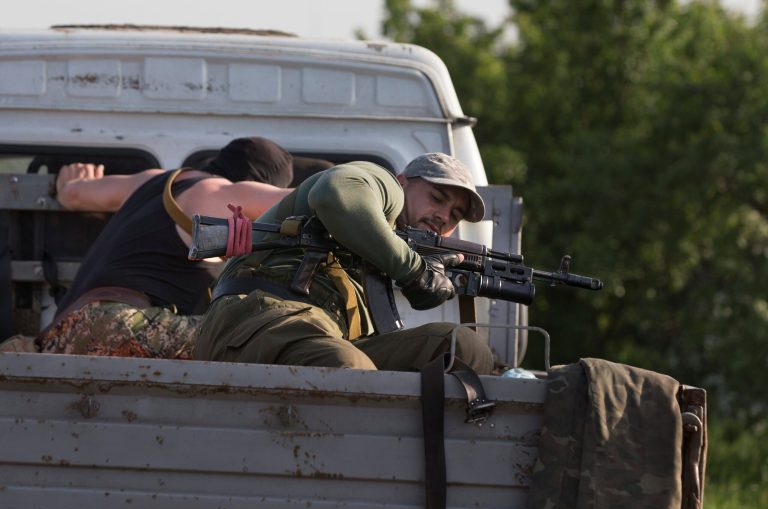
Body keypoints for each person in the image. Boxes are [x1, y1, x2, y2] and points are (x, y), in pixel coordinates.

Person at [195, 152, 494, 374]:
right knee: (351, 369)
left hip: (318, 335)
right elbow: (334, 193)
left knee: (463, 348)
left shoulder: (384, 245)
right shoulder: (385, 188)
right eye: (437, 197)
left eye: (455, 215)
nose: (443, 215)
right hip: (259, 319)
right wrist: (415, 271)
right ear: (403, 182)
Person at [34, 137, 294, 358]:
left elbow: (74, 194)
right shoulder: (219, 194)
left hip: (60, 338)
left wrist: (70, 182)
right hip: (115, 328)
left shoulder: (156, 180)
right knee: (266, 333)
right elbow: (315, 198)